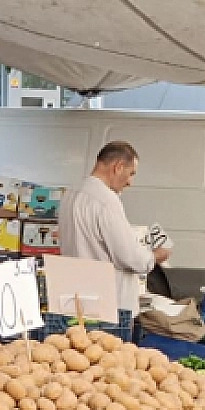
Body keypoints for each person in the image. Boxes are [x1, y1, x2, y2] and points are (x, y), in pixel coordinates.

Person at [55, 141, 168, 341]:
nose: (130, 182)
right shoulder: (106, 201)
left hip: (77, 300)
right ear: (118, 167)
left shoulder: (70, 194)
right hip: (110, 307)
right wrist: (155, 256)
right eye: (131, 173)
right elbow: (129, 256)